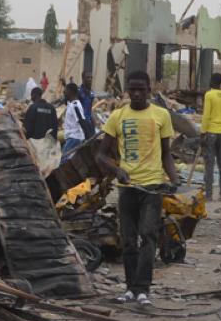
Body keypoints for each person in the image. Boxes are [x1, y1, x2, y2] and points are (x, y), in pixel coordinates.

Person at [97, 71, 179, 307]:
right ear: (127, 91)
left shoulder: (161, 115)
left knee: (148, 235)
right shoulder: (117, 116)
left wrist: (174, 179)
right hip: (127, 187)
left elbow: (166, 154)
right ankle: (130, 288)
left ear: (148, 90)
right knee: (129, 239)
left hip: (152, 187)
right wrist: (117, 170)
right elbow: (101, 155)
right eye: (132, 89)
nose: (136, 93)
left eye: (141, 89)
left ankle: (143, 289)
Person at [201, 72, 221, 200]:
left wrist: (202, 133)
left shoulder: (209, 95)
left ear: (212, 81)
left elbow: (206, 115)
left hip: (211, 132)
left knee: (209, 164)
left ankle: (208, 195)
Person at [61, 82, 91, 161]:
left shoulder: (75, 105)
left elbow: (81, 120)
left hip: (74, 137)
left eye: (65, 91)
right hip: (72, 137)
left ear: (70, 92)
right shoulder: (72, 104)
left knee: (62, 160)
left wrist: (88, 138)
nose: (64, 93)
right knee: (68, 159)